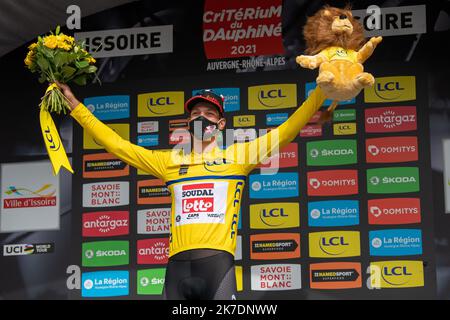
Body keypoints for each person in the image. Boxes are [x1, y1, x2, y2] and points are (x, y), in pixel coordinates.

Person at [57, 81, 326, 300]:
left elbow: (286, 130)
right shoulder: (169, 162)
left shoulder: (239, 156)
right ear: (188, 122)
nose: (202, 118)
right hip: (176, 269)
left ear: (221, 124)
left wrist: (321, 92)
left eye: (209, 114)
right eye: (196, 114)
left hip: (217, 266)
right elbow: (117, 145)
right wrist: (75, 106)